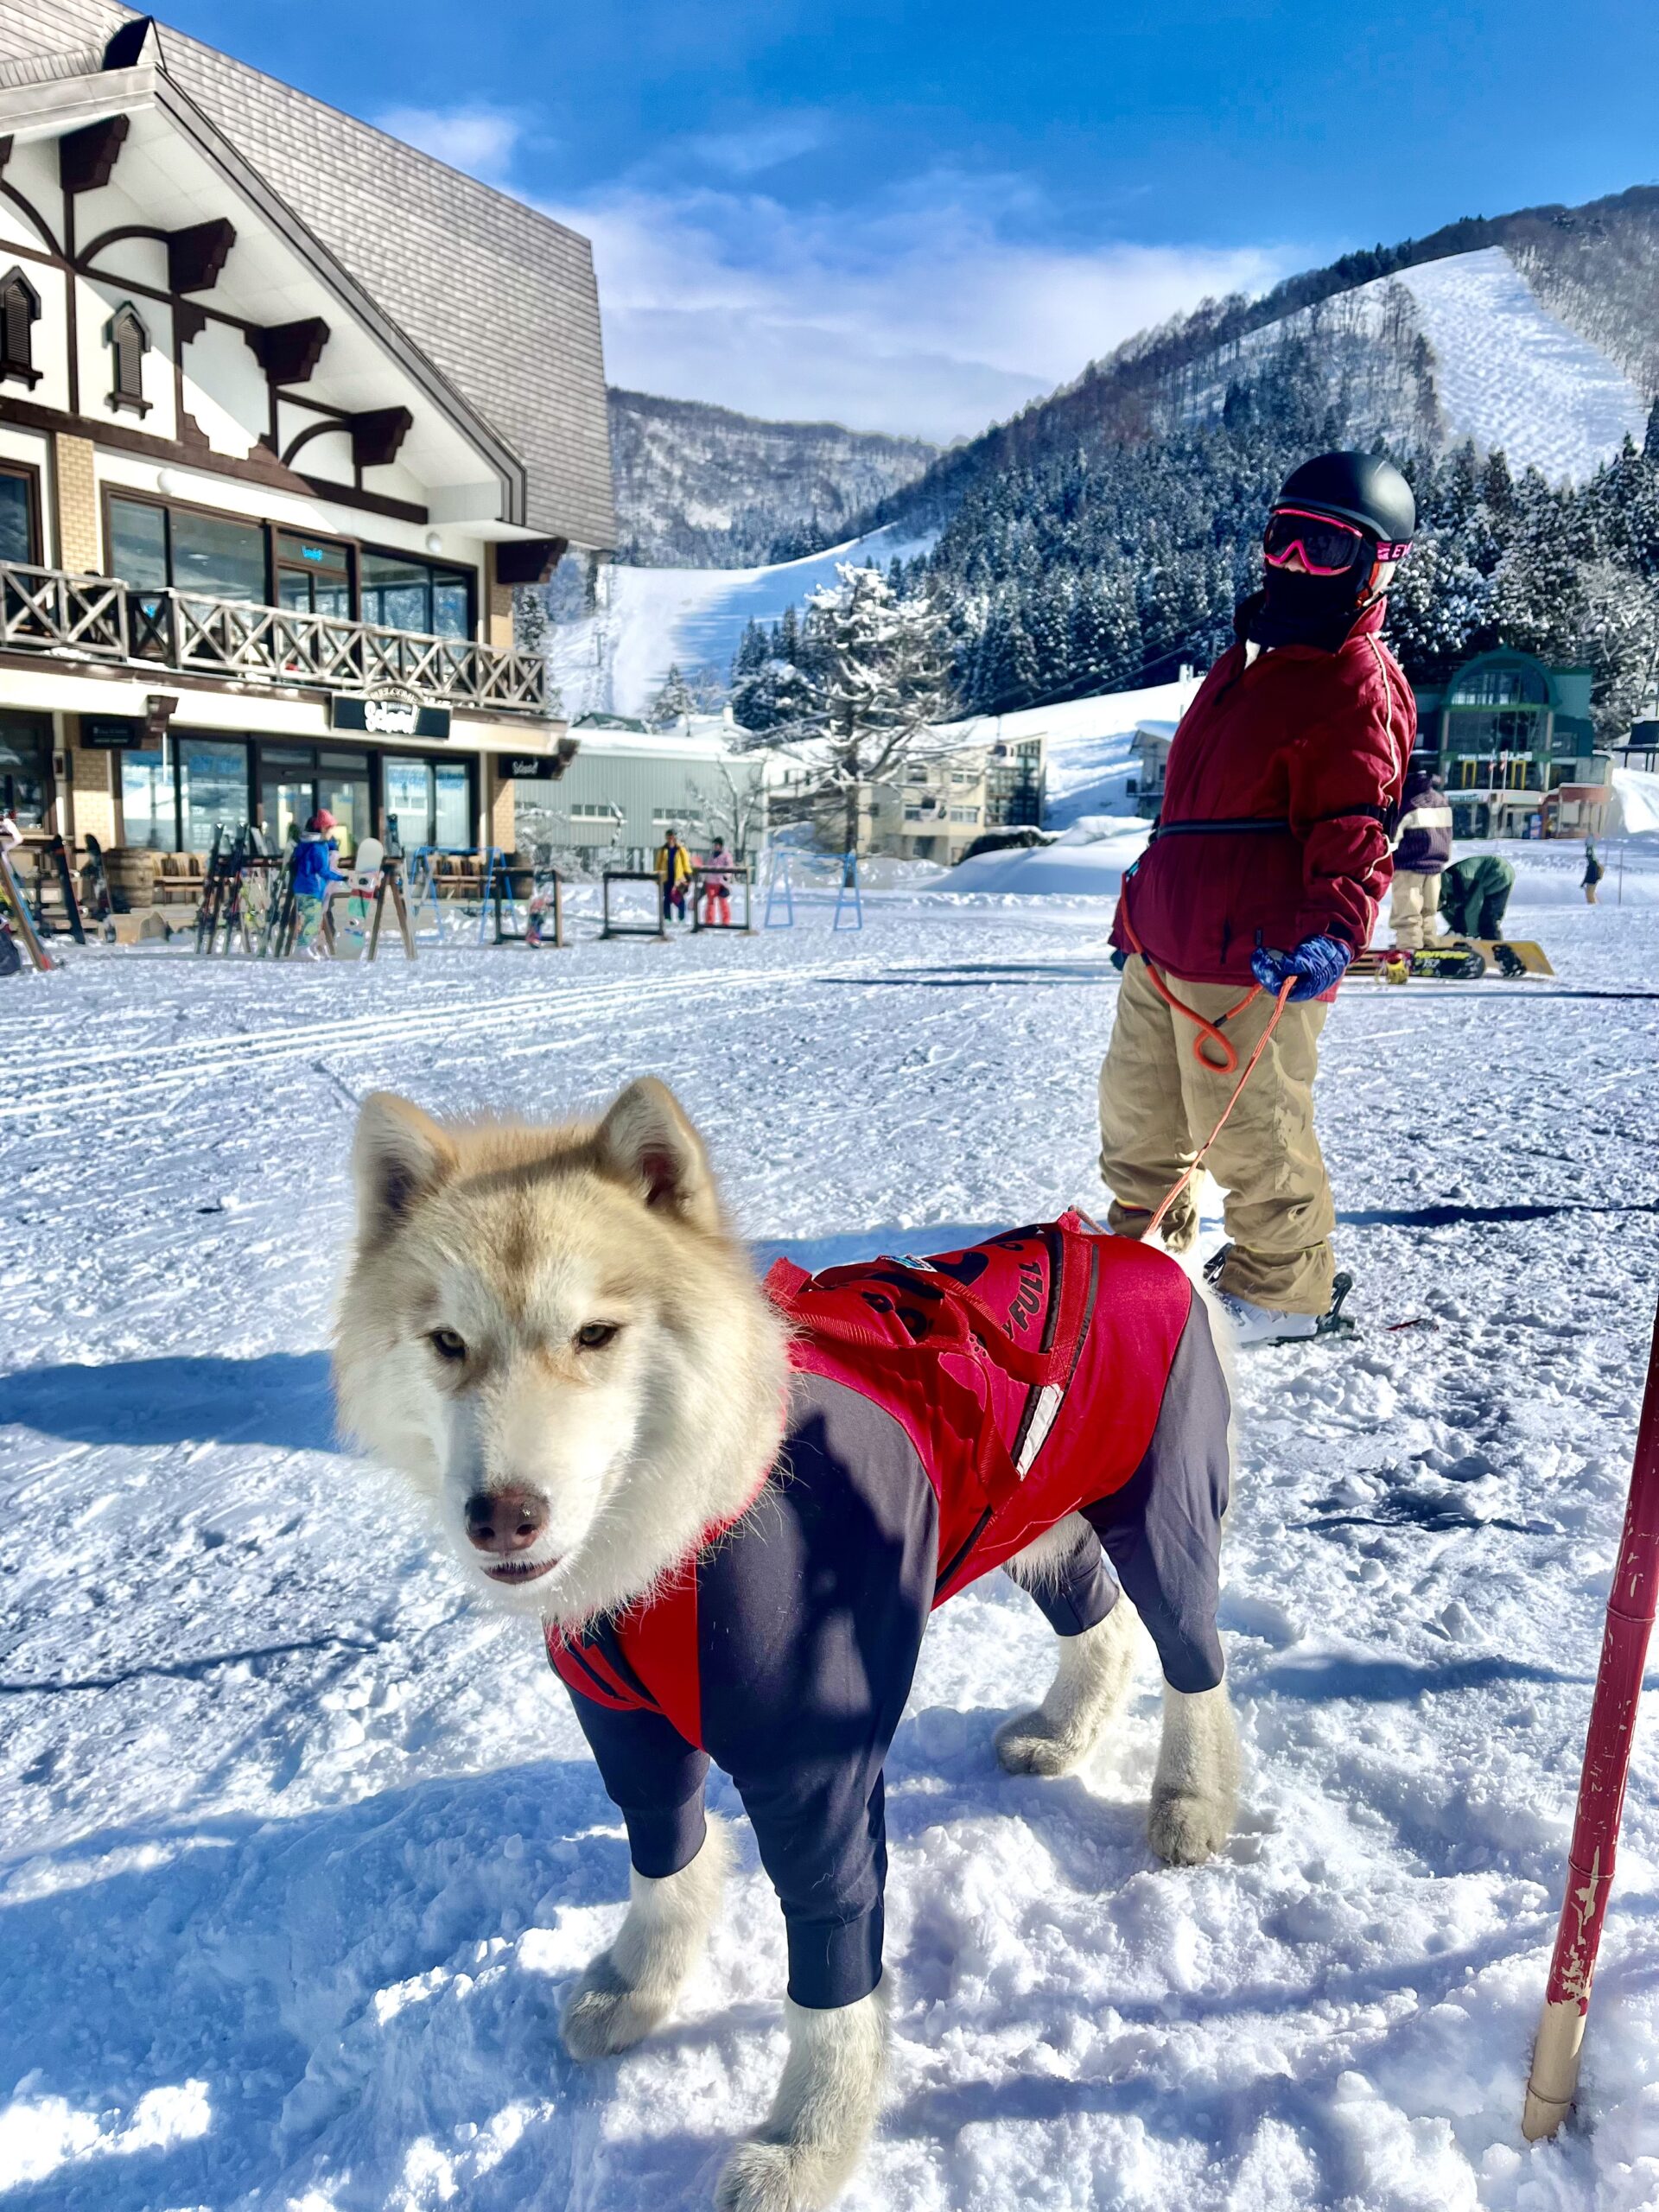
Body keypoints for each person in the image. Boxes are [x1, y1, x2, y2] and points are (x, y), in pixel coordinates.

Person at [1099, 451, 1417, 1347]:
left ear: (1373, 568)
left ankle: (1284, 1291)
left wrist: (1332, 931)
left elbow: (1357, 826)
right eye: (1284, 540)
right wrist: (1138, 915)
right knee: (1139, 1129)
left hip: (1256, 961)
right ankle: (1142, 1268)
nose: (1292, 567)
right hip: (1165, 950)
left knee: (1253, 1140)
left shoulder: (1355, 680)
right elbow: (1187, 819)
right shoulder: (1239, 668)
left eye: (1324, 549)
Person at [1389, 762, 1452, 952]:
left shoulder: (1409, 801)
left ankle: (1409, 948)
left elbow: (1393, 837)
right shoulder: (1441, 800)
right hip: (1435, 865)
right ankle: (1429, 943)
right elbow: (1448, 833)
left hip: (1409, 864)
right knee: (1428, 911)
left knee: (1407, 912)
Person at [290, 809, 344, 955]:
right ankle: (303, 948)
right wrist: (342, 878)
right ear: (323, 828)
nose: (333, 833)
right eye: (331, 829)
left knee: (310, 917)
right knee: (313, 919)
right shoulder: (318, 847)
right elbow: (323, 871)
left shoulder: (306, 844)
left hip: (302, 888)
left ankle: (308, 945)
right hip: (312, 887)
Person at [1438, 853, 1516, 941]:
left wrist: (1469, 932)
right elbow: (1452, 914)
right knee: (1462, 918)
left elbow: (1474, 905)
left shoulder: (1460, 883)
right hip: (1480, 876)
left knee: (1487, 920)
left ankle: (1496, 948)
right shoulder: (1445, 890)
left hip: (1498, 873)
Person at [656, 828, 692, 922]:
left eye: (672, 837)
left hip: (678, 878)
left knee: (679, 898)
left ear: (675, 838)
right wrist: (657, 877)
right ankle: (667, 918)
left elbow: (686, 864)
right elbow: (658, 865)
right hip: (666, 878)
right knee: (667, 898)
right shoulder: (663, 850)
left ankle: (681, 917)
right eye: (668, 837)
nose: (670, 839)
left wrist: (688, 875)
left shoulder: (680, 850)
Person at [702, 842, 734, 926]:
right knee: (710, 902)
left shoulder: (726, 856)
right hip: (710, 882)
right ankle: (709, 921)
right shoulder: (711, 856)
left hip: (721, 883)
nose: (716, 847)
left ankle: (726, 921)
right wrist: (705, 878)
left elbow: (730, 866)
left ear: (722, 846)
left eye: (718, 845)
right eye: (715, 845)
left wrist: (726, 876)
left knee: (723, 902)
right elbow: (707, 867)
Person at [1583, 838, 1605, 906]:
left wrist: (1589, 847)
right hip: (1592, 881)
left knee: (1590, 894)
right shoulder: (1592, 864)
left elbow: (1589, 875)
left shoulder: (1593, 864)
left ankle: (1592, 904)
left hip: (1592, 881)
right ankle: (1591, 903)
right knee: (1589, 893)